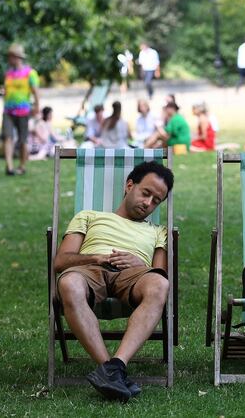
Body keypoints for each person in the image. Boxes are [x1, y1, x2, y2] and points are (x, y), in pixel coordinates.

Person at [54, 161, 174, 401]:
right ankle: (110, 369)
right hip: (89, 269)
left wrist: (141, 265)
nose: (148, 204)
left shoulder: (158, 231)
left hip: (134, 275)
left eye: (156, 201)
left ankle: (114, 367)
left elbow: (160, 272)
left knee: (160, 285)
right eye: (146, 193)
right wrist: (96, 257)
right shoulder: (88, 216)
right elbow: (60, 262)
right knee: (68, 284)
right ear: (130, 185)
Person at [1, 43, 40, 176]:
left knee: (23, 140)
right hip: (8, 111)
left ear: (17, 57)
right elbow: (6, 90)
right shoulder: (8, 73)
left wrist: (37, 107)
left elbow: (35, 92)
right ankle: (10, 166)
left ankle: (22, 165)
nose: (8, 59)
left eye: (10, 57)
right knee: (8, 137)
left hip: (23, 112)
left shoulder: (30, 73)